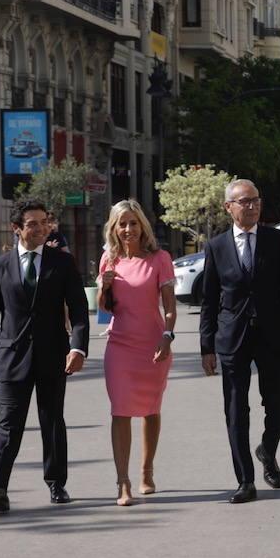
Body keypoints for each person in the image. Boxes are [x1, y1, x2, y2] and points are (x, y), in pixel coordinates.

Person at [199, 179, 280, 504]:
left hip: (273, 335)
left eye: (255, 200)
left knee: (277, 405)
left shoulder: (276, 241)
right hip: (232, 338)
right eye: (244, 201)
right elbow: (209, 299)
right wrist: (207, 346)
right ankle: (245, 480)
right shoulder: (216, 247)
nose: (251, 206)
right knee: (235, 409)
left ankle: (267, 450)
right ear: (228, 207)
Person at [0, 200, 89, 513]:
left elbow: (80, 309)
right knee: (9, 425)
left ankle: (56, 483)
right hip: (12, 359)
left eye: (45, 222)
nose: (42, 228)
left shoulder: (62, 262)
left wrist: (78, 347)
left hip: (53, 355)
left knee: (52, 421)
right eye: (33, 224)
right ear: (17, 228)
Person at [98, 199, 177, 507]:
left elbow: (169, 309)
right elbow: (104, 310)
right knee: (120, 410)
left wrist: (167, 337)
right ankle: (123, 482)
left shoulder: (160, 258)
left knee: (150, 409)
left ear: (142, 226)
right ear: (114, 229)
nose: (128, 229)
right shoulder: (109, 259)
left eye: (133, 223)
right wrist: (104, 287)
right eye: (122, 224)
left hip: (153, 344)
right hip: (119, 345)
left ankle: (146, 470)